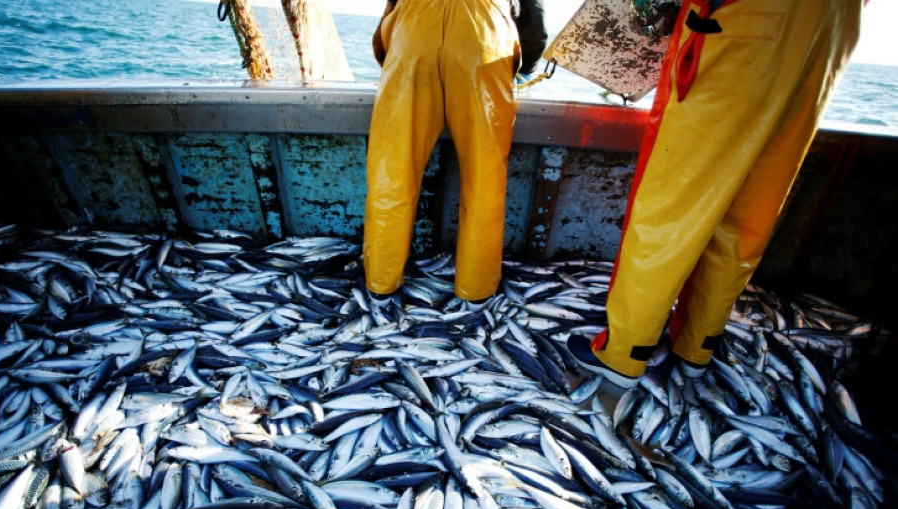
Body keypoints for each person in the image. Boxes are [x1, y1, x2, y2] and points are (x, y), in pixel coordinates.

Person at [566, 0, 862, 388]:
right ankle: (697, 345)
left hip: (746, 29)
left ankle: (624, 353)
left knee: (670, 207)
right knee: (747, 213)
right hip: (830, 37)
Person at [362, 0, 547, 304]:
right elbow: (534, 17)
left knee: (392, 174)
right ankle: (476, 291)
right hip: (484, 43)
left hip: (413, 36)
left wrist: (397, 53)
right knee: (484, 179)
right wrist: (524, 69)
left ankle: (380, 284)